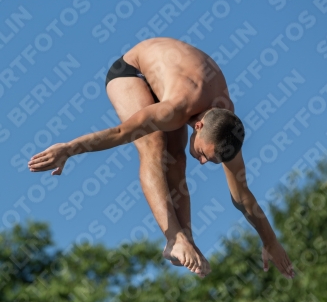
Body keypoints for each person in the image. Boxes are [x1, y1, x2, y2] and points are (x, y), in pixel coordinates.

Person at [28, 37, 294, 280]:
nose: (202, 161)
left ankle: (185, 237)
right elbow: (121, 133)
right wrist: (68, 149)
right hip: (133, 71)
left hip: (174, 80)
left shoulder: (226, 126)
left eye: (209, 160)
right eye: (204, 154)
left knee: (178, 159)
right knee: (153, 144)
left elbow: (241, 195)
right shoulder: (176, 108)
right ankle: (173, 238)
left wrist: (270, 240)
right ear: (199, 127)